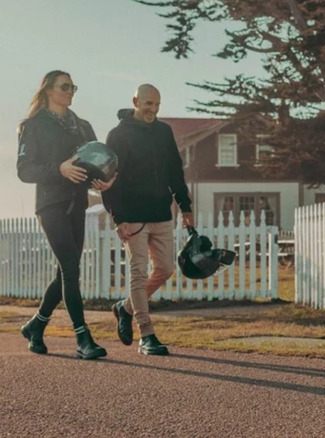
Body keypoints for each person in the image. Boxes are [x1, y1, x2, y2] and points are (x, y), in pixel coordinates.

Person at [16, 70, 112, 360]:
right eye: (65, 86)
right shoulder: (33, 126)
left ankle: (36, 325)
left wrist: (103, 179)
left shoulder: (83, 126)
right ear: (48, 89)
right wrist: (58, 169)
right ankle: (83, 338)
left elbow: (98, 161)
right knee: (71, 268)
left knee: (65, 271)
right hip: (50, 204)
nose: (71, 91)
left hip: (77, 204)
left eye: (73, 87)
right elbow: (24, 170)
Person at [102, 83, 193, 356]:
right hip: (132, 217)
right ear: (135, 101)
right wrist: (119, 218)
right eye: (148, 104)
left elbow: (175, 171)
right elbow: (109, 180)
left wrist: (185, 207)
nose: (152, 109)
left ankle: (125, 308)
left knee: (165, 269)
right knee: (139, 273)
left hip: (161, 214)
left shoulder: (164, 132)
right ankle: (147, 333)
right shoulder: (118, 135)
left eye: (157, 104)